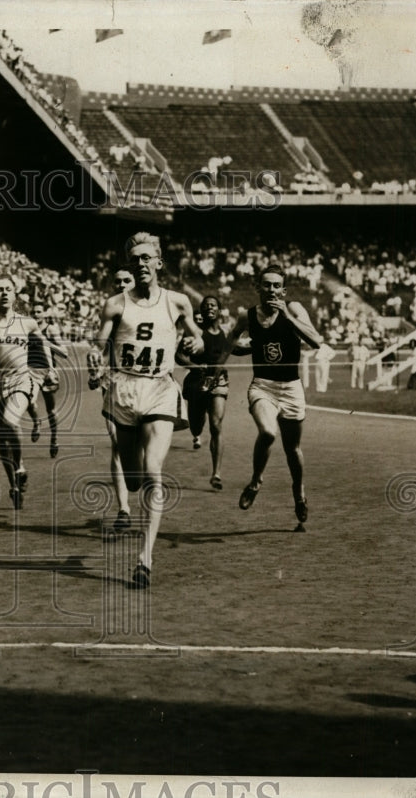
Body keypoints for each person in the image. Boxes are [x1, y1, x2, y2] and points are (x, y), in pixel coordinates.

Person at [87, 233, 205, 588]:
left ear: (158, 263)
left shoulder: (177, 302)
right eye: (134, 258)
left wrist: (195, 341)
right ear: (129, 264)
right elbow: (99, 342)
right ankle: (134, 496)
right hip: (124, 390)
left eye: (146, 257)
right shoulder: (115, 304)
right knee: (135, 480)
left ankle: (145, 559)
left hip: (159, 389)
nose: (140, 263)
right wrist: (95, 356)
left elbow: (197, 337)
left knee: (154, 469)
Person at [220, 264, 323, 529]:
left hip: (291, 388)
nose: (272, 290)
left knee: (293, 449)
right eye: (267, 285)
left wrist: (288, 317)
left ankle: (299, 493)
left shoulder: (295, 309)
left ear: (284, 290)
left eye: (277, 285)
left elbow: (315, 340)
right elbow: (230, 343)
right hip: (263, 386)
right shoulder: (248, 316)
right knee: (267, 432)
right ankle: (255, 481)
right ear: (258, 288)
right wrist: (215, 369)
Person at [0, 275, 53, 509]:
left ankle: (21, 468)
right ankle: (14, 481)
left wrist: (50, 369)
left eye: (8, 289)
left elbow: (43, 345)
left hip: (20, 380)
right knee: (2, 439)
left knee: (10, 419)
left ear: (15, 294)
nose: (4, 293)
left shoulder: (28, 323)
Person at [88, 267, 135, 533]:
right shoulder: (110, 313)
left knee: (140, 447)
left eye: (126, 280)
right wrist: (95, 371)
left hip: (145, 384)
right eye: (117, 281)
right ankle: (124, 509)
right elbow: (100, 349)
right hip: (114, 383)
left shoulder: (150, 310)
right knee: (117, 443)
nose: (121, 284)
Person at [181, 295, 230, 490]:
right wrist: (195, 367)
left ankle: (216, 473)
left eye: (214, 305)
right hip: (197, 383)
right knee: (196, 425)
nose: (210, 308)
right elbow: (179, 356)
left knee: (216, 425)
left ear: (219, 311)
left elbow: (231, 349)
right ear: (201, 311)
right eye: (206, 305)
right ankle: (196, 432)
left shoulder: (224, 333)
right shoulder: (194, 333)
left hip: (218, 380)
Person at [28, 299, 64, 458]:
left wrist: (47, 343)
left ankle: (54, 438)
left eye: (38, 312)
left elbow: (64, 350)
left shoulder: (51, 329)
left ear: (44, 313)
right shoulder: (27, 328)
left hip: (47, 372)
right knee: (29, 400)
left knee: (51, 409)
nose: (36, 314)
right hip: (30, 371)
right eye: (33, 312)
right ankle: (36, 421)